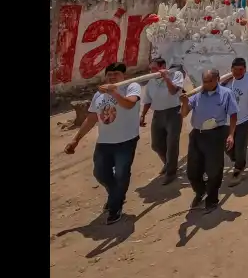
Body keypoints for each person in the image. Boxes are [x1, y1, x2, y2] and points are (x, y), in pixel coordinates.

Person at [64, 62, 142, 224]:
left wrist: (114, 93)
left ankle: (115, 207)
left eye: (116, 74)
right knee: (100, 173)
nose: (112, 77)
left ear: (123, 76)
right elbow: (92, 118)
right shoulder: (98, 95)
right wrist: (75, 140)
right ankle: (116, 195)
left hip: (126, 141)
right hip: (105, 142)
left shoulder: (131, 86)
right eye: (109, 74)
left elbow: (129, 104)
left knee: (121, 174)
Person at [179, 68, 238, 213]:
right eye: (203, 81)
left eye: (208, 81)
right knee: (192, 172)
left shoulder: (226, 94)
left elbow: (233, 114)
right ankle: (200, 191)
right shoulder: (197, 94)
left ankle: (212, 200)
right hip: (197, 135)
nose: (205, 84)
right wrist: (185, 102)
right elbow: (184, 113)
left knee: (214, 170)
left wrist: (231, 135)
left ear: (217, 79)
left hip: (216, 134)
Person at [140, 57, 185, 185]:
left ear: (163, 67)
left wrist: (166, 78)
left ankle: (171, 172)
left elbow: (173, 91)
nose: (151, 72)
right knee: (156, 144)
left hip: (173, 113)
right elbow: (148, 99)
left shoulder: (176, 74)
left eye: (154, 69)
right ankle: (168, 163)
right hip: (158, 114)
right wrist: (143, 114)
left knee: (172, 143)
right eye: (150, 69)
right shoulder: (151, 80)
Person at [222, 58, 248, 185]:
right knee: (227, 148)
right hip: (226, 121)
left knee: (240, 147)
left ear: (245, 69)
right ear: (231, 69)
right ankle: (236, 159)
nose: (238, 72)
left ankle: (238, 169)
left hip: (243, 120)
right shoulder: (226, 81)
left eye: (241, 69)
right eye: (235, 69)